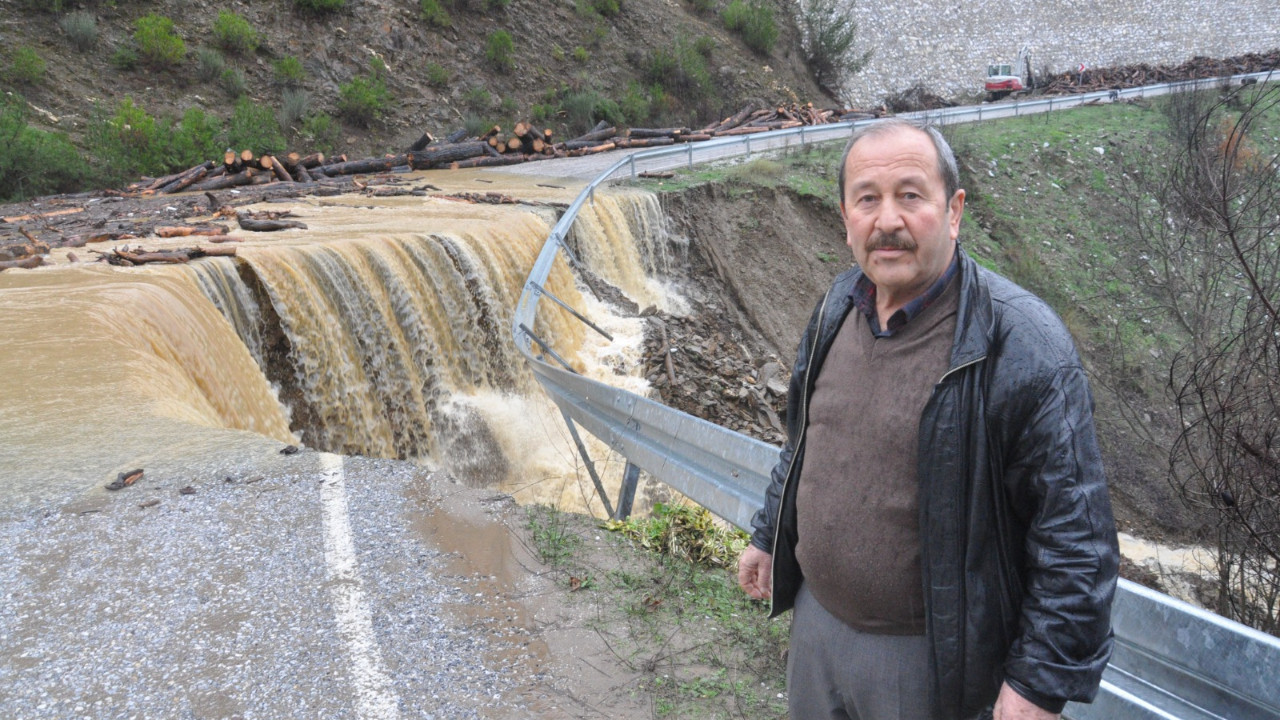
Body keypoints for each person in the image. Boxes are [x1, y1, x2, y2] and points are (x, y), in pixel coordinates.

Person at [737, 118, 1119, 720]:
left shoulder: (1022, 343)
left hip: (933, 662)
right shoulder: (838, 304)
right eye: (868, 199)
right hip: (816, 629)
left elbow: (1074, 537)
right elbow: (805, 441)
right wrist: (768, 533)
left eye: (910, 196)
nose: (887, 220)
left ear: (953, 209)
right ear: (845, 217)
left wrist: (1039, 683)